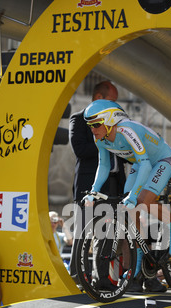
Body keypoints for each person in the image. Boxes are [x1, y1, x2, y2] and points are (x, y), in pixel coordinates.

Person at [83, 99, 171, 287]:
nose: (93, 129)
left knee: (141, 201)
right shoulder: (99, 138)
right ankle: (138, 261)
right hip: (141, 163)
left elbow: (146, 164)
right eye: (89, 125)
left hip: (161, 160)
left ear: (109, 120)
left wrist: (134, 195)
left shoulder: (126, 130)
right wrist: (94, 191)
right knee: (129, 209)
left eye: (96, 124)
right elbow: (104, 165)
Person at [68, 81, 126, 283]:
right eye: (112, 101)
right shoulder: (78, 119)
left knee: (108, 234)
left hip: (113, 183)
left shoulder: (116, 123)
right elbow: (80, 150)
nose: (115, 106)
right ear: (100, 99)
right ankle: (76, 277)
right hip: (89, 185)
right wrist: (104, 140)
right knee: (82, 232)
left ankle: (100, 278)